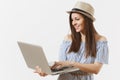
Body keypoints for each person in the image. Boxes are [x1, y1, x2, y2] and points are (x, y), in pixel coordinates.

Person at [34, 1, 109, 80]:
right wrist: (47, 71)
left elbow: (96, 69)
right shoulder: (68, 39)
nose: (73, 23)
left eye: (77, 19)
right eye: (72, 20)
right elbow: (61, 65)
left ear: (87, 20)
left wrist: (72, 63)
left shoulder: (100, 41)